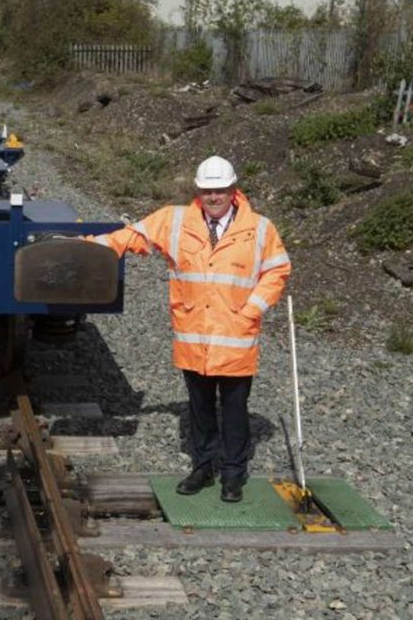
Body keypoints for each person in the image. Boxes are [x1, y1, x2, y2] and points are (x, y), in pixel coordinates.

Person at [89, 156, 290, 502]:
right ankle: (203, 467)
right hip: (194, 336)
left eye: (221, 191)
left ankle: (232, 474)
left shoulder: (259, 228)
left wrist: (253, 308)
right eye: (208, 191)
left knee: (234, 409)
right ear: (199, 190)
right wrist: (86, 247)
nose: (214, 197)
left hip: (235, 338)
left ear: (233, 190)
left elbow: (277, 270)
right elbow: (132, 236)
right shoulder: (175, 220)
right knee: (198, 406)